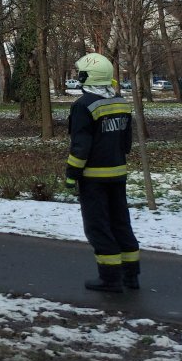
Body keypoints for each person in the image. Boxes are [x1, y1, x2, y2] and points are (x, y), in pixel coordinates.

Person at [66, 52, 139, 292]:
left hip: (94, 178)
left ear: (89, 76)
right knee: (120, 222)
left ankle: (109, 278)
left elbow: (81, 146)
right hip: (118, 175)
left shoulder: (83, 106)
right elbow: (126, 143)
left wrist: (71, 174)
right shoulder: (120, 102)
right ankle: (131, 276)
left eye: (81, 73)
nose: (78, 76)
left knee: (98, 226)